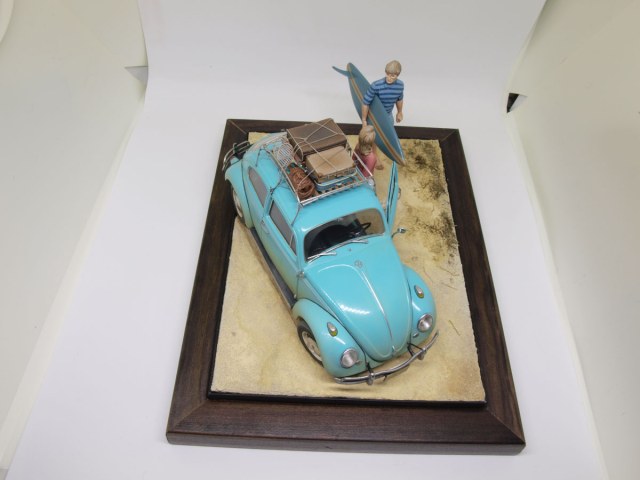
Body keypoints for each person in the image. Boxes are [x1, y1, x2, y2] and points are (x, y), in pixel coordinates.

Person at [361, 60, 404, 128]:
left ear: (397, 75)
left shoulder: (400, 85)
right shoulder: (376, 85)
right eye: (387, 74)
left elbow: (399, 99)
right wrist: (364, 120)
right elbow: (366, 103)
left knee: (389, 130)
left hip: (388, 114)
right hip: (374, 115)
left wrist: (399, 112)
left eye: (392, 76)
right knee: (371, 132)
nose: (389, 78)